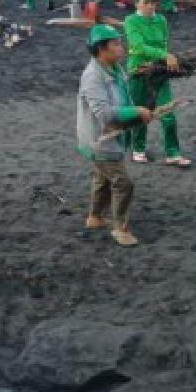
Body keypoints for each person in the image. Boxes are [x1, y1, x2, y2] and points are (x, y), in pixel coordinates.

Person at [77, 24, 153, 247]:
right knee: (123, 183)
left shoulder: (115, 69)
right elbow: (104, 114)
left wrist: (135, 113)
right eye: (116, 44)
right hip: (99, 140)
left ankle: (95, 217)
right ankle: (120, 229)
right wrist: (136, 112)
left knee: (102, 178)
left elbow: (121, 99)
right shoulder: (92, 77)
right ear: (101, 49)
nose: (122, 47)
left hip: (108, 137)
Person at [126, 0, 190, 167]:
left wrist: (167, 60)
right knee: (141, 112)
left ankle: (173, 153)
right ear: (137, 2)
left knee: (168, 111)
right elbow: (137, 47)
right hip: (139, 72)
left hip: (159, 73)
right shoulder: (131, 21)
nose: (150, 6)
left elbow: (163, 44)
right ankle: (138, 149)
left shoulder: (161, 20)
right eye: (146, 2)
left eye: (153, 2)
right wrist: (164, 56)